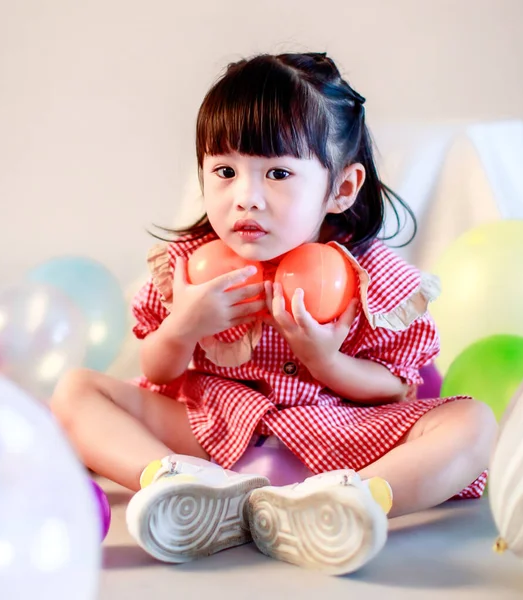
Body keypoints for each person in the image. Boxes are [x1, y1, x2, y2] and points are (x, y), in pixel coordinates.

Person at [50, 52, 497, 575]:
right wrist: (184, 327)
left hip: (338, 436)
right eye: (224, 171)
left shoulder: (370, 276)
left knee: (473, 421)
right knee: (75, 390)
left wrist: (326, 359)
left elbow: (395, 387)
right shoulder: (187, 269)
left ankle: (356, 502)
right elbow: (158, 372)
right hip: (210, 430)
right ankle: (176, 484)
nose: (246, 198)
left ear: (342, 188)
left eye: (278, 173)